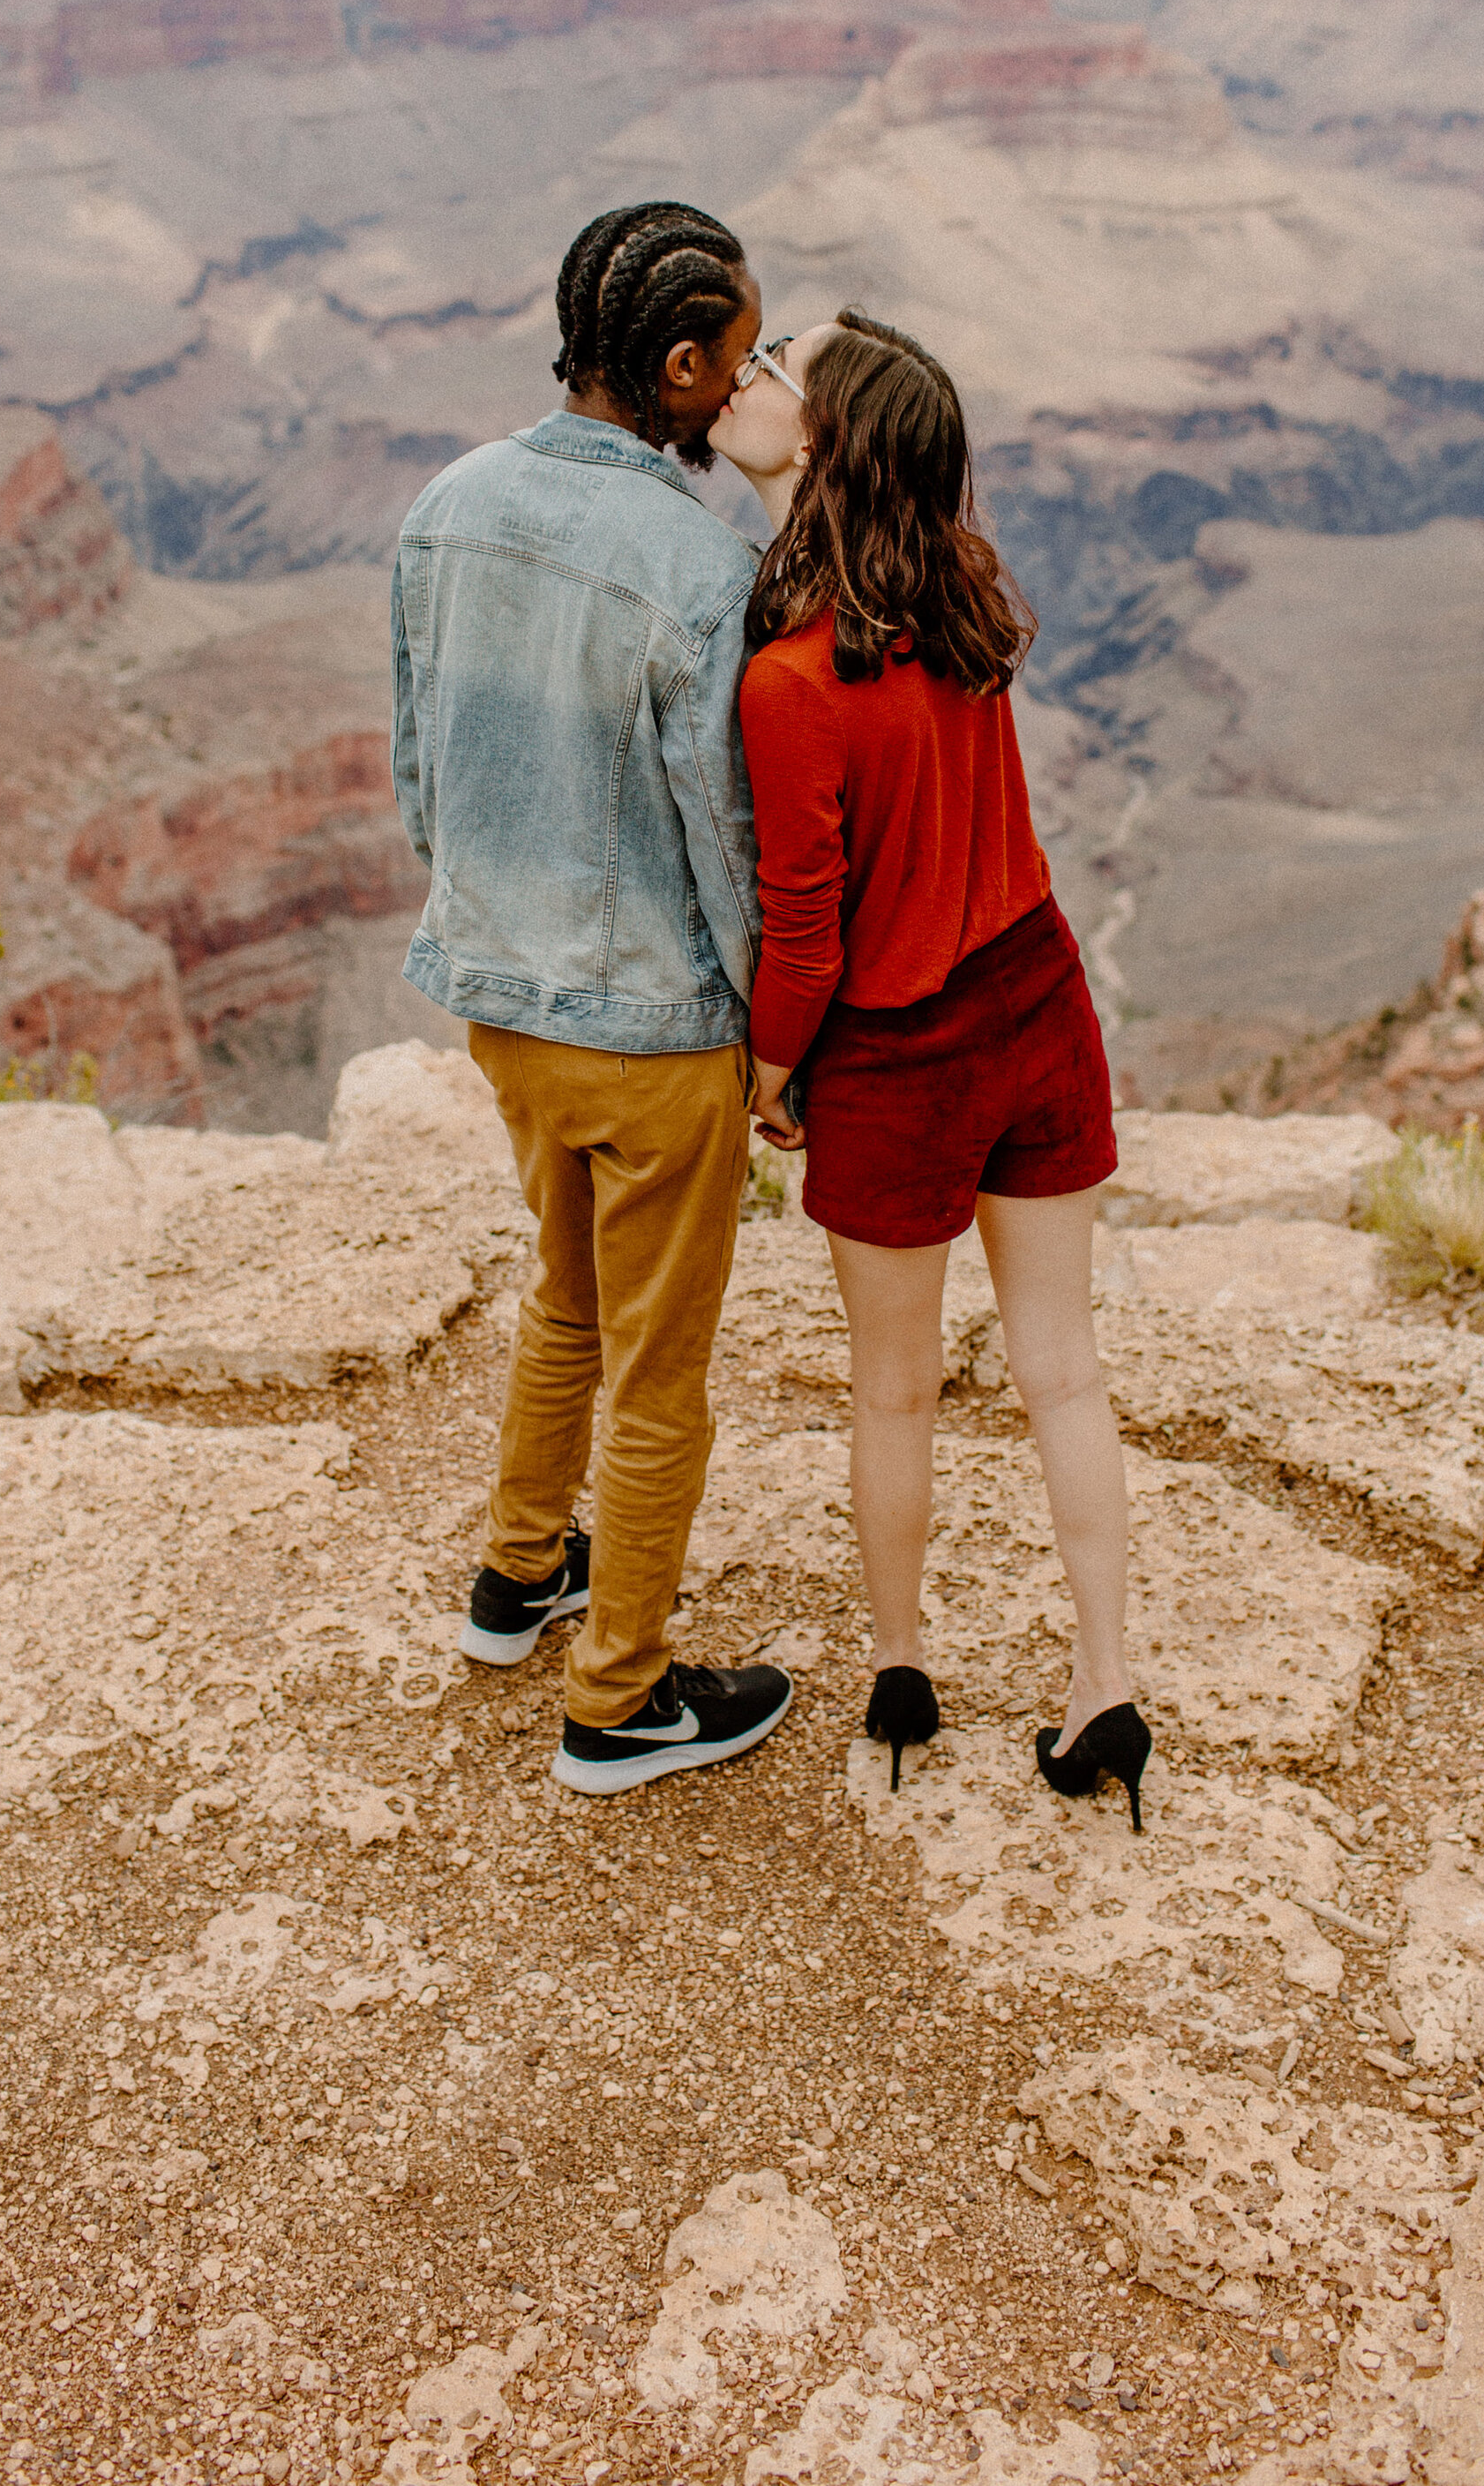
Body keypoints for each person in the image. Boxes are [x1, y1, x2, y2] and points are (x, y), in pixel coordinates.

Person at [708, 310, 1150, 1821]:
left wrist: (772, 1074)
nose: (748, 381)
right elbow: (842, 550)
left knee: (894, 1395)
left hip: (900, 1056)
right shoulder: (958, 592)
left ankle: (902, 1668)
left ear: (824, 441)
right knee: (1063, 1373)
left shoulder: (787, 683)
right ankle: (1106, 1682)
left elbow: (807, 937)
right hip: (1037, 1001)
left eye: (780, 375)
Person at [390, 202, 794, 1798]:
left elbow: (424, 776)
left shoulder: (446, 505)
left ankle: (516, 1578)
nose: (745, 383)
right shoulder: (703, 562)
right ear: (681, 365)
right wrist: (776, 1042)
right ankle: (618, 1697)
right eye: (740, 357)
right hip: (653, 1031)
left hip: (505, 1006)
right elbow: (726, 835)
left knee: (563, 1292)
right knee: (660, 1371)